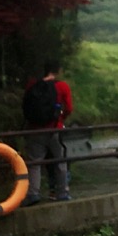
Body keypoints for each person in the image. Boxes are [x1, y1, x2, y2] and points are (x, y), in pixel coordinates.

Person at [21, 59, 73, 203]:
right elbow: (69, 108)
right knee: (60, 160)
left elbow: (26, 106)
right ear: (58, 71)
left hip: (34, 130)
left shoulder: (32, 85)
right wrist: (61, 118)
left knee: (34, 163)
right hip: (55, 129)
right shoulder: (62, 86)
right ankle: (62, 192)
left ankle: (33, 193)